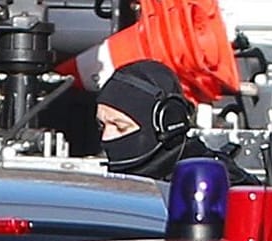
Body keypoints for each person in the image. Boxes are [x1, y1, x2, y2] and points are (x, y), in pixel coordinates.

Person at [95, 59, 255, 184]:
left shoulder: (215, 187)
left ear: (166, 124)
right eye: (102, 125)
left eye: (120, 126)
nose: (105, 138)